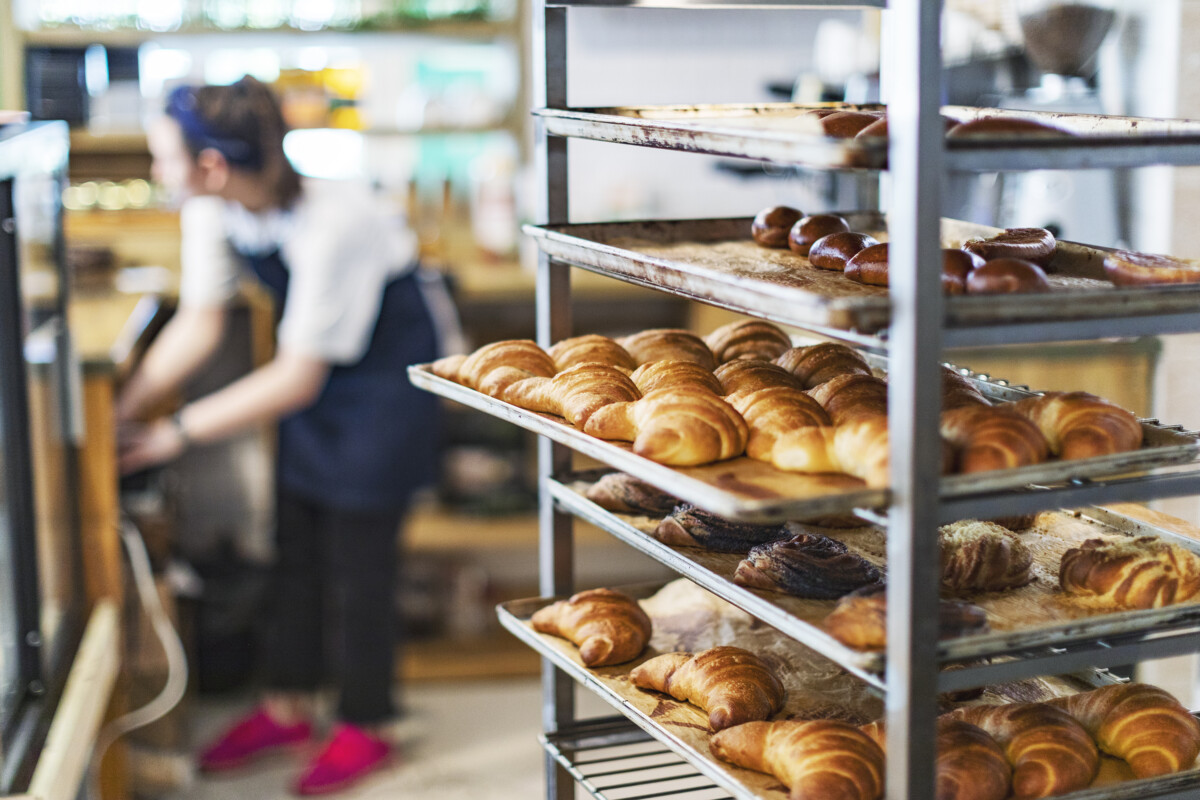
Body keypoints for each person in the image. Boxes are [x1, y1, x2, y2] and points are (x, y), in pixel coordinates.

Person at [117, 75, 445, 795]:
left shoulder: (339, 221)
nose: (155, 172)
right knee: (294, 550)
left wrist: (174, 433)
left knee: (360, 567)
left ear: (210, 165)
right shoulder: (214, 205)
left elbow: (295, 377)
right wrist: (128, 405)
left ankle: (368, 722)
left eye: (161, 157)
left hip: (387, 384)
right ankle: (289, 707)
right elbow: (201, 320)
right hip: (321, 378)